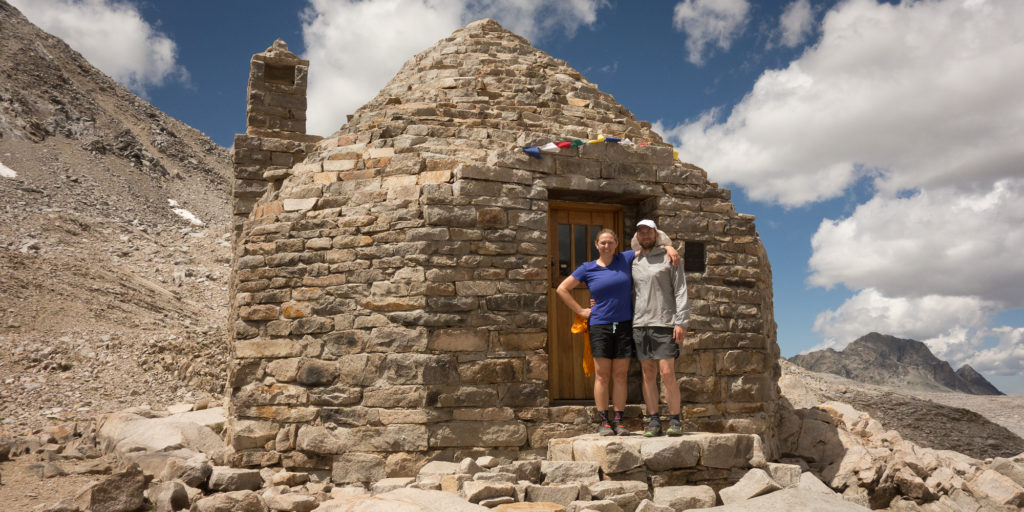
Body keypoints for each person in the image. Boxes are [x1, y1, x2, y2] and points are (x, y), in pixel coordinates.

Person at [556, 228, 677, 436]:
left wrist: (669, 246)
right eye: (603, 243)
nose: (606, 246)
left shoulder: (626, 258)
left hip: (624, 324)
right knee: (602, 375)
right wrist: (581, 311)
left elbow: (650, 246)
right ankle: (604, 421)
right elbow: (562, 289)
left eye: (610, 242)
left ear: (616, 244)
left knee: (620, 375)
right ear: (596, 245)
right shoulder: (588, 268)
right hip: (600, 325)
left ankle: (619, 421)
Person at [631, 219, 689, 437]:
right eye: (641, 232)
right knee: (647, 373)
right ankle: (654, 421)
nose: (644, 235)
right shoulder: (633, 261)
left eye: (648, 232)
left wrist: (681, 321)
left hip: (664, 322)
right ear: (637, 236)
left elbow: (681, 290)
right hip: (640, 323)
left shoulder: (670, 258)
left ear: (656, 234)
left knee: (667, 373)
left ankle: (675, 420)